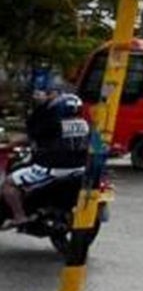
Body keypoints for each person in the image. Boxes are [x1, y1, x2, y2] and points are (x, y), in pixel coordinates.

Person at [1, 92, 89, 229]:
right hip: (79, 170)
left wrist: (8, 145)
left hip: (52, 170)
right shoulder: (85, 125)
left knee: (9, 183)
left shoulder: (53, 124)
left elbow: (30, 138)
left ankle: (19, 217)